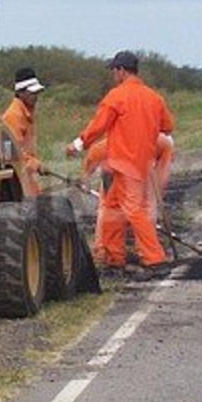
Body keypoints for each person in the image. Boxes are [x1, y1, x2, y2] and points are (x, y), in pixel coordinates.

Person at [66, 51, 176, 276]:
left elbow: (98, 126)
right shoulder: (154, 98)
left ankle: (154, 259)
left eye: (114, 71)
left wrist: (77, 145)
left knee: (134, 211)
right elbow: (168, 126)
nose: (113, 75)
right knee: (113, 209)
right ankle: (114, 258)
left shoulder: (116, 96)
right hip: (137, 164)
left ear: (121, 71)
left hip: (123, 165)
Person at [81, 132, 175, 265]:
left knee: (145, 205)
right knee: (110, 207)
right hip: (123, 161)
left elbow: (159, 183)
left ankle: (145, 250)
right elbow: (87, 175)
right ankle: (105, 250)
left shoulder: (161, 143)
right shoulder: (101, 150)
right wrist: (85, 182)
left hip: (145, 162)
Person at [2, 67, 47, 197]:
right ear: (20, 93)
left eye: (37, 93)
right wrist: (37, 165)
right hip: (18, 176)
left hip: (27, 173)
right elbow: (15, 152)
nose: (36, 96)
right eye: (32, 93)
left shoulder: (26, 112)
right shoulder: (14, 116)